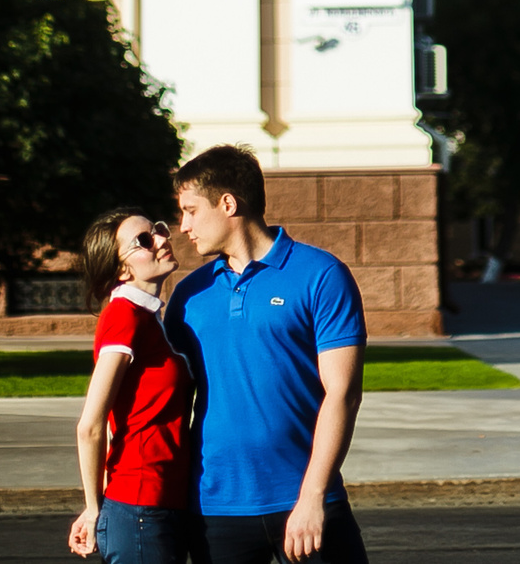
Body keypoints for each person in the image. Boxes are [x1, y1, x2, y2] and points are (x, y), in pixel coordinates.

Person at [166, 145, 368, 564]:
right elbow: (165, 405)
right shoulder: (189, 295)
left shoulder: (321, 275)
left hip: (307, 499)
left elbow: (343, 393)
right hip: (214, 508)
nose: (182, 226)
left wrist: (312, 497)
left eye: (190, 210)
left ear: (228, 203)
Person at [69, 207, 195, 564]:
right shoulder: (124, 315)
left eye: (156, 230)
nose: (161, 239)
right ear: (122, 268)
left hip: (161, 502)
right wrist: (94, 510)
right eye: (143, 240)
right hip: (140, 506)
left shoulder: (149, 317)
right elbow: (90, 426)